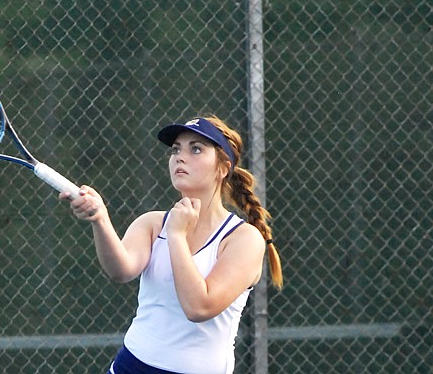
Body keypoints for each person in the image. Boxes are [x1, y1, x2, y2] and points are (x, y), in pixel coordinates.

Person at [61, 115, 283, 374]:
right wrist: (99, 218)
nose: (180, 156)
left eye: (196, 149)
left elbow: (199, 307)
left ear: (223, 168)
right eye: (176, 149)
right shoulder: (152, 223)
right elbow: (120, 270)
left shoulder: (244, 240)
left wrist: (177, 236)